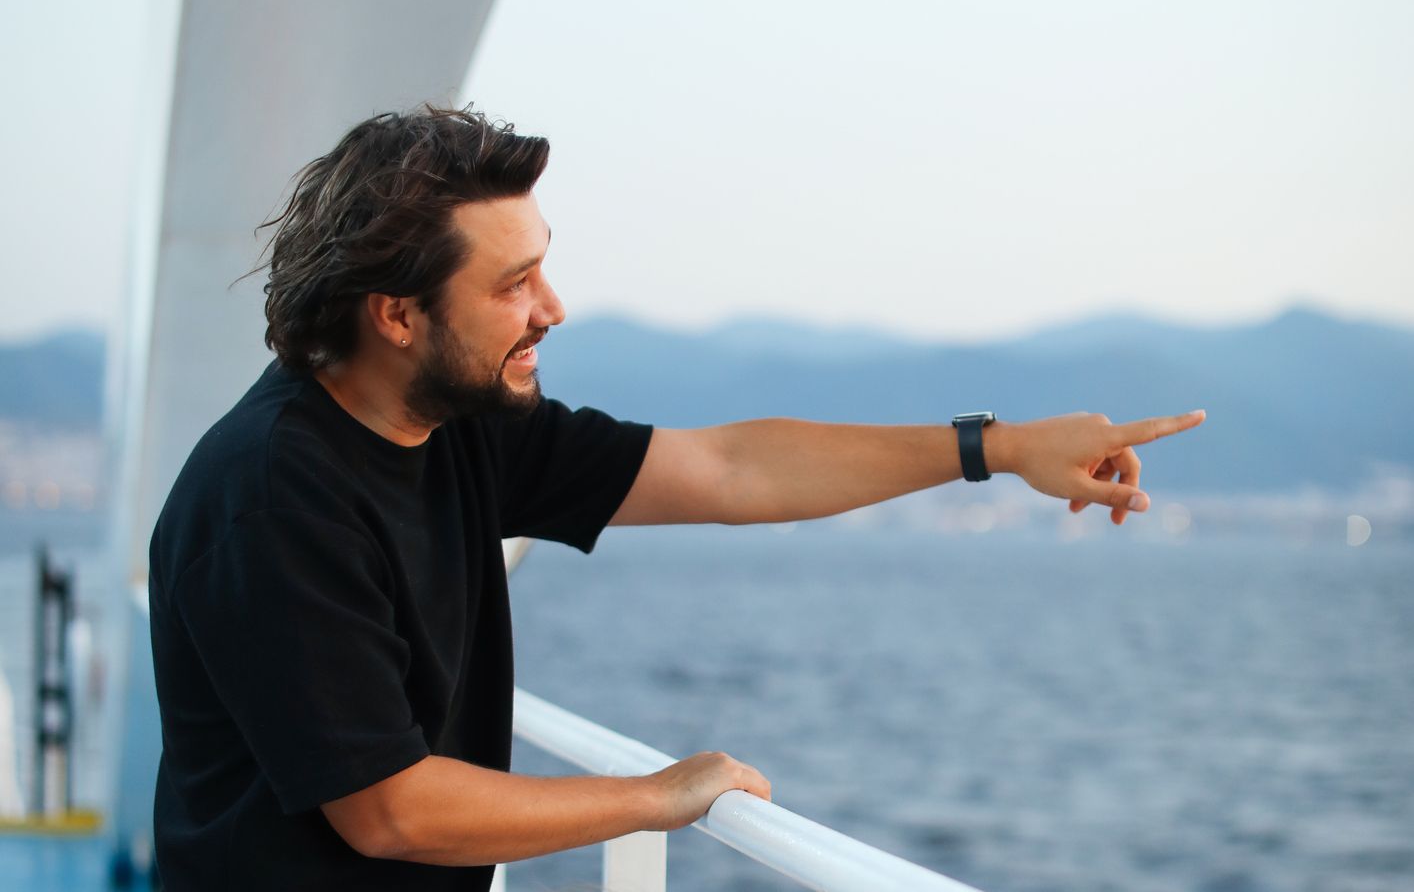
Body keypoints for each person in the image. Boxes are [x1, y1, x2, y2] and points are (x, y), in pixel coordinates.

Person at [147, 104, 1205, 890]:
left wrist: (1000, 448)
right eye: (512, 284)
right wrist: (658, 796)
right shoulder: (276, 497)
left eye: (542, 269)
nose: (553, 307)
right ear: (396, 315)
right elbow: (390, 810)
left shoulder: (459, 424)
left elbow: (732, 468)